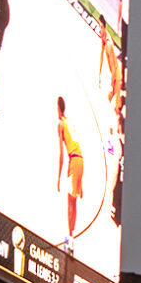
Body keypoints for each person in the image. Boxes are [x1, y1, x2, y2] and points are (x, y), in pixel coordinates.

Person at [55, 95, 84, 245]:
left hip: (74, 161)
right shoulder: (69, 122)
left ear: (58, 109)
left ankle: (70, 238)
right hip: (80, 161)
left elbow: (61, 153)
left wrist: (58, 178)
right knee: (74, 201)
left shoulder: (60, 124)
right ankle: (71, 234)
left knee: (70, 202)